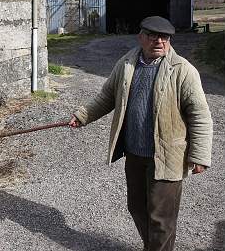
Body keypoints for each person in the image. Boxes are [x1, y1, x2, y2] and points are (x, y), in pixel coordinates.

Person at [68, 16, 213, 251]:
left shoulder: (183, 70)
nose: (159, 41)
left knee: (161, 218)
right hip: (135, 152)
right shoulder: (126, 64)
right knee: (136, 207)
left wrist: (199, 154)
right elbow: (107, 96)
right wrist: (83, 115)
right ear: (141, 37)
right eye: (152, 36)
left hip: (167, 156)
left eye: (164, 37)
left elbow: (200, 115)